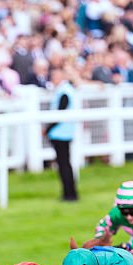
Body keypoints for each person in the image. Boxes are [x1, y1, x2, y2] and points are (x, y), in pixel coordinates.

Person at [47, 66, 78, 202]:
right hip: (64, 132)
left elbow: (59, 113)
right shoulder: (66, 90)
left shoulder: (64, 91)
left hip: (61, 133)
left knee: (64, 164)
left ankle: (69, 194)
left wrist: (47, 129)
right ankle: (69, 192)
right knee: (65, 164)